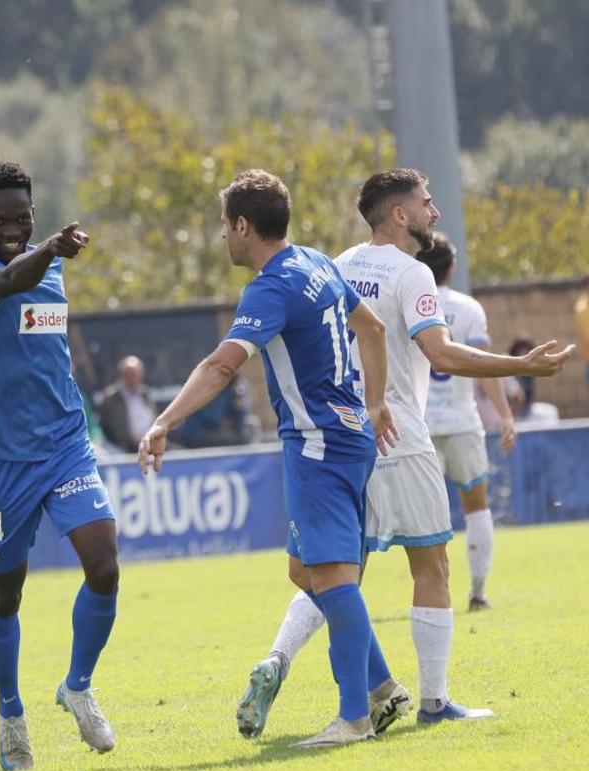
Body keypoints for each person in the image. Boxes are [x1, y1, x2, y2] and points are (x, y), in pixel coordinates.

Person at [243, 169, 574, 733]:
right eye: (426, 202)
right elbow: (441, 354)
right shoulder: (413, 273)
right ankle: (434, 702)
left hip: (346, 439)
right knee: (433, 565)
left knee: (332, 575)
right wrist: (522, 365)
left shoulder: (337, 263)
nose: (434, 212)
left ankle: (281, 658)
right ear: (399, 215)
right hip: (404, 437)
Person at [141, 169, 402, 748]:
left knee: (334, 577)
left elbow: (221, 366)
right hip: (347, 436)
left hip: (318, 443)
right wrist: (376, 403)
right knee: (307, 571)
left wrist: (164, 420)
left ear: (242, 225)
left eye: (224, 228)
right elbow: (373, 328)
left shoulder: (271, 286)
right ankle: (382, 688)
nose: (223, 240)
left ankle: (355, 717)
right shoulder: (316, 262)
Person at [0, 161, 120, 771]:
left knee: (103, 566)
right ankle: (11, 714)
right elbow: (7, 284)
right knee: (4, 595)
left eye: (23, 218)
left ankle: (77, 686)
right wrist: (47, 247)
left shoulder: (50, 273)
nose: (12, 229)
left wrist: (47, 252)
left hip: (65, 445)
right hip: (1, 460)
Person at [416, 233, 515, 610]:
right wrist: (505, 415)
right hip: (460, 422)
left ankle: (429, 594)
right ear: (452, 267)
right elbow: (484, 367)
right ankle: (477, 592)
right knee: (477, 506)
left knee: (424, 518)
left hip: (418, 426)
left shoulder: (407, 302)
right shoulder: (468, 308)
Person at [98, 356, 156, 453]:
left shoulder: (145, 393)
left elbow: (153, 418)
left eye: (137, 374)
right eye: (130, 374)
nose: (134, 378)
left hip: (150, 444)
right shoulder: (111, 397)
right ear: (122, 375)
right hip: (122, 449)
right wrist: (136, 442)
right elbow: (114, 430)